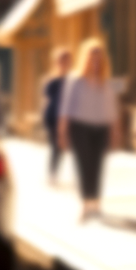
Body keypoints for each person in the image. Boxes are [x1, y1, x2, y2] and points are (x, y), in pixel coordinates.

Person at [59, 39, 122, 222]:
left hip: (101, 128)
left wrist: (116, 132)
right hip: (80, 128)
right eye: (92, 58)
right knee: (84, 165)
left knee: (98, 165)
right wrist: (62, 133)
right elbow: (65, 109)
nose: (95, 62)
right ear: (85, 59)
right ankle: (86, 203)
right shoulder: (75, 80)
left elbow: (113, 110)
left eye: (98, 59)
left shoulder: (108, 82)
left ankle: (96, 202)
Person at [42, 46, 72, 184]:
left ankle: (55, 172)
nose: (63, 63)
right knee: (55, 145)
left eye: (66, 60)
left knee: (62, 146)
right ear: (56, 62)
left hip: (67, 117)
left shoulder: (72, 80)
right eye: (61, 60)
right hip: (53, 117)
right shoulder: (52, 80)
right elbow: (47, 96)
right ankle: (52, 173)